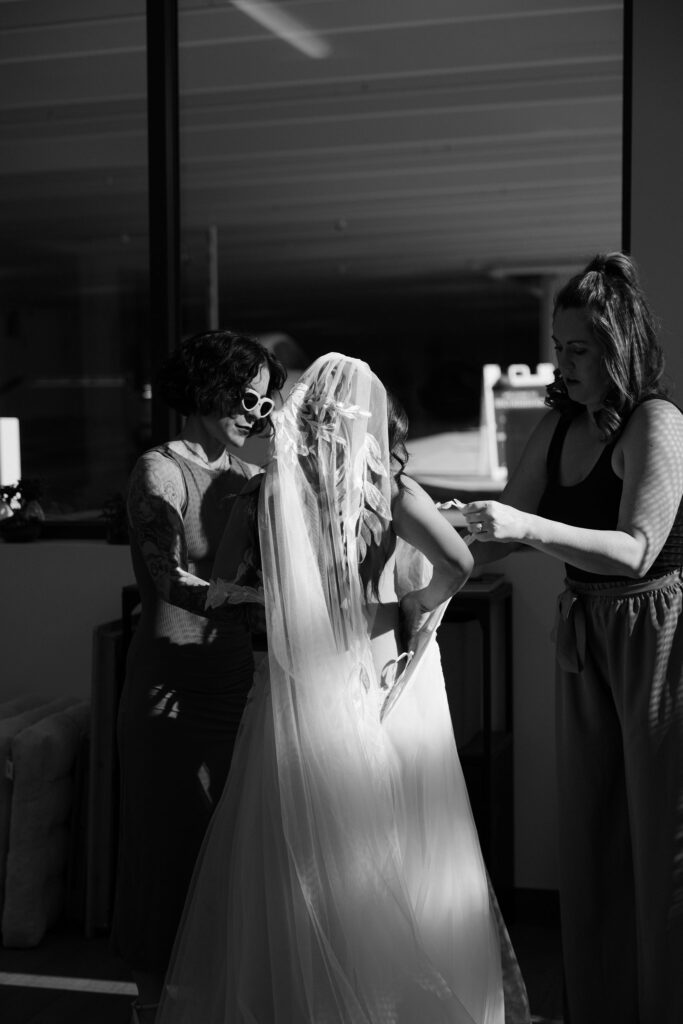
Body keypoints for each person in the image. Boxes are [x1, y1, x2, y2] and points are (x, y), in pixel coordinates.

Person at [156, 352, 529, 1024]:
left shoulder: (264, 492)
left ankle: (305, 998)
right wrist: (419, 604)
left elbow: (231, 578)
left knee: (299, 856)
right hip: (384, 679)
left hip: (295, 692)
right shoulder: (389, 489)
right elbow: (459, 560)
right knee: (397, 843)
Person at [458, 252, 683, 1024]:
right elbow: (496, 537)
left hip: (658, 637)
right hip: (585, 630)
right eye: (559, 346)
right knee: (586, 839)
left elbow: (635, 549)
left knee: (662, 844)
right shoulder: (556, 421)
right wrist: (408, 530)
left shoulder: (658, 421)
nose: (566, 362)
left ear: (620, 344)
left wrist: (521, 525)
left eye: (581, 347)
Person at [111, 329, 286, 1022]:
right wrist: (263, 601)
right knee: (164, 854)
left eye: (266, 403)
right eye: (247, 397)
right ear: (209, 388)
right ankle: (150, 1009)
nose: (256, 413)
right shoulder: (159, 471)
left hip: (234, 684)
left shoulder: (249, 478)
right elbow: (170, 579)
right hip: (168, 696)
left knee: (229, 854)